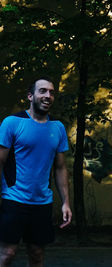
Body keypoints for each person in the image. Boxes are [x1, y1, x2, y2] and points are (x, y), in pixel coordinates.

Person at [0, 77, 72, 267]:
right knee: (7, 253)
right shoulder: (12, 123)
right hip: (13, 199)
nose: (48, 96)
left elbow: (60, 167)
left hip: (42, 203)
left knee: (37, 254)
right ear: (30, 96)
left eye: (51, 92)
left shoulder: (57, 128)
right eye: (42, 91)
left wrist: (66, 202)